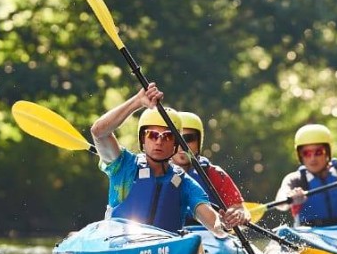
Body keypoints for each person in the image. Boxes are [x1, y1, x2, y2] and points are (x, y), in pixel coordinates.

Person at [90, 83, 234, 236]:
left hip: (164, 248)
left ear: (176, 144)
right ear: (142, 140)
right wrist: (137, 102)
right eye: (152, 135)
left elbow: (213, 223)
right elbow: (99, 132)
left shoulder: (184, 183)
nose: (159, 141)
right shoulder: (124, 165)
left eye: (167, 136)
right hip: (119, 243)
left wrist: (224, 225)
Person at [172, 111, 251, 228]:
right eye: (176, 138)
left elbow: (240, 208)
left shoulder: (212, 173)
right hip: (170, 236)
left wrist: (239, 214)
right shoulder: (158, 172)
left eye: (188, 138)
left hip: (210, 235)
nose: (182, 145)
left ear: (198, 142)